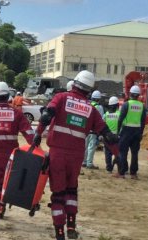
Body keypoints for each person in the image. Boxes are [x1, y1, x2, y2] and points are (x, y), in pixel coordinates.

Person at [32, 70, 118, 240]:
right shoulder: (91, 109)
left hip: (57, 153)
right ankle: (71, 226)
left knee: (58, 194)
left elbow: (46, 115)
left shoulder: (62, 98)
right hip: (77, 157)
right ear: (89, 89)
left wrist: (37, 134)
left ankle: (60, 233)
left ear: (75, 83)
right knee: (71, 191)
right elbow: (107, 134)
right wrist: (118, 156)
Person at [0, 82, 35, 229]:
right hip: (12, 156)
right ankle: (0, 208)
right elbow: (29, 133)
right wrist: (35, 148)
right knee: (6, 184)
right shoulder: (17, 113)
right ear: (8, 97)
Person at [116, 85, 146, 179]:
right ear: (138, 95)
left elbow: (120, 119)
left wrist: (118, 131)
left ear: (130, 94)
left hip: (126, 130)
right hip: (137, 131)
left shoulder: (126, 104)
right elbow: (143, 121)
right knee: (134, 153)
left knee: (123, 152)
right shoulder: (142, 106)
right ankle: (133, 173)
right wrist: (141, 132)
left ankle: (122, 172)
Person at [82, 90, 104, 169]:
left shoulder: (87, 105)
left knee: (85, 146)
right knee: (91, 147)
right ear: (98, 99)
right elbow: (100, 119)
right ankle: (89, 163)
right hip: (94, 131)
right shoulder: (99, 107)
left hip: (86, 129)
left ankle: (83, 162)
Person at [103, 96, 120, 173]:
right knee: (118, 152)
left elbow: (103, 123)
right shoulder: (119, 114)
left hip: (107, 137)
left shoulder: (106, 114)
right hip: (117, 137)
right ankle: (120, 168)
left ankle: (109, 168)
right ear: (117, 105)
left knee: (108, 153)